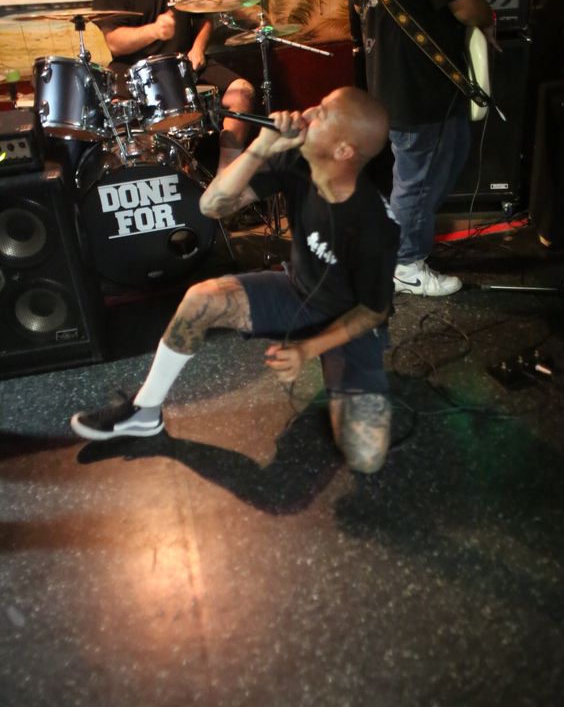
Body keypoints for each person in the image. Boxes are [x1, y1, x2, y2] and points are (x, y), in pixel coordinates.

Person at [71, 87, 400, 475]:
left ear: (344, 151)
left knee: (365, 458)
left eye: (323, 113)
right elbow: (211, 206)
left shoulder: (374, 225)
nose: (308, 111)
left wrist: (308, 349)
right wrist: (261, 147)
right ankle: (144, 412)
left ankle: (339, 365)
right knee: (202, 299)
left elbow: (372, 312)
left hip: (349, 321)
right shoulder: (295, 159)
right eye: (318, 102)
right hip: (298, 292)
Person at [350, 0, 495, 296]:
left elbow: (359, 1)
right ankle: (406, 264)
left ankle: (396, 243)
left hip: (393, 70)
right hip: (421, 78)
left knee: (436, 160)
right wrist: (489, 17)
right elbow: (464, 5)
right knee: (421, 175)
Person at [93, 0, 255, 171]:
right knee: (117, 112)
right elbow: (116, 43)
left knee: (243, 93)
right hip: (132, 69)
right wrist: (154, 31)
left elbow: (204, 18)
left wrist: (198, 49)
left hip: (182, 62)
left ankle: (226, 177)